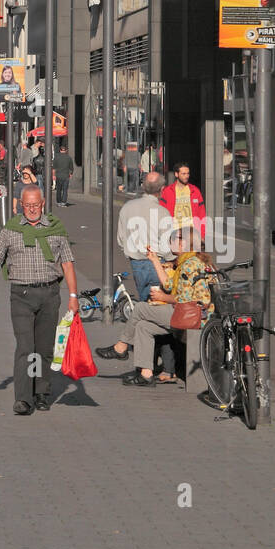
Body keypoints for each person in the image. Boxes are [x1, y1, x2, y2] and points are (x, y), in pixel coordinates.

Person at [0, 186, 79, 414]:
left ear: (42, 203)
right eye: (28, 205)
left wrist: (73, 296)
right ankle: (23, 398)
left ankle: (41, 392)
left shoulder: (56, 229)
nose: (32, 209)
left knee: (43, 348)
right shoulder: (11, 230)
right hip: (21, 296)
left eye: (36, 205)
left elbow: (67, 263)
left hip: (50, 294)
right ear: (20, 205)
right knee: (26, 347)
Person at [98, 239, 216, 384]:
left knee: (141, 308)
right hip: (191, 313)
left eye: (173, 241)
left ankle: (121, 347)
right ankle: (146, 374)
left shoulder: (190, 264)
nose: (170, 244)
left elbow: (185, 299)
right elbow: (168, 284)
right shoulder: (189, 262)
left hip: (194, 316)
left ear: (183, 244)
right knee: (143, 327)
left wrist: (163, 297)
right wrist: (154, 260)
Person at [117, 171, 169, 302]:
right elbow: (167, 245)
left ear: (143, 187)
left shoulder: (127, 207)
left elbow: (121, 239)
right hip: (158, 262)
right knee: (158, 303)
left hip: (136, 263)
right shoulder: (163, 212)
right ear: (162, 189)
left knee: (144, 300)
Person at [160, 163, 206, 248]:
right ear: (176, 174)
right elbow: (161, 214)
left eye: (188, 173)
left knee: (192, 260)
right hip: (174, 233)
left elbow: (202, 214)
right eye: (183, 174)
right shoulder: (167, 191)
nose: (187, 176)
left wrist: (202, 234)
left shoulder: (195, 191)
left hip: (191, 233)